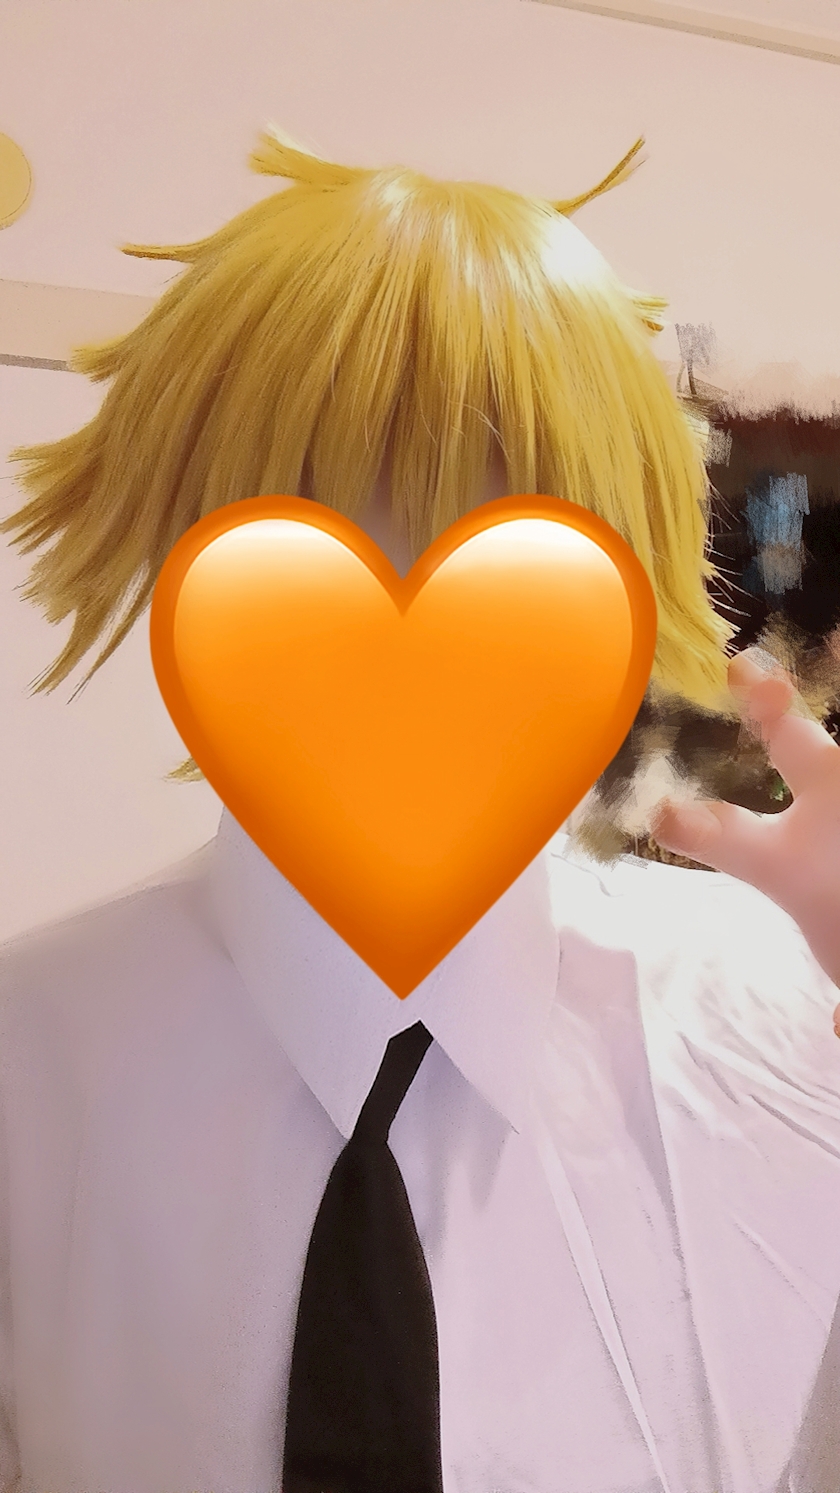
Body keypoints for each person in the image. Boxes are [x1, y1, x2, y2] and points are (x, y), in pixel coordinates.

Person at [1, 129, 839, 1493]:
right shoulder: (29, 1057)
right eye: (305, 534)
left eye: (517, 559)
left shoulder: (777, 1010)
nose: (407, 605)